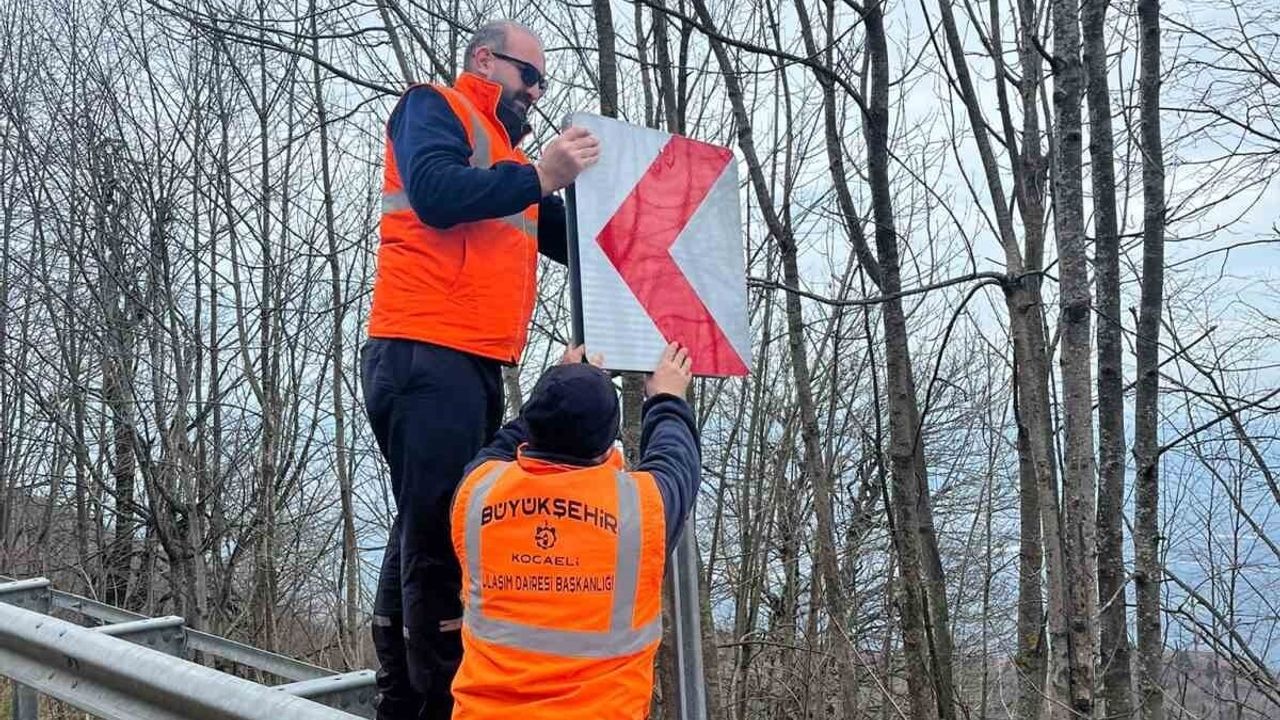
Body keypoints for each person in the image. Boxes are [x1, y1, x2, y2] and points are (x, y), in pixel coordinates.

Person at [360, 19, 601, 720]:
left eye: (543, 82)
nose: (537, 92)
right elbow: (436, 194)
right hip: (425, 348)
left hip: (469, 360)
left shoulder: (508, 166)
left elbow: (580, 242)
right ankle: (438, 703)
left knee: (423, 523)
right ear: (485, 60)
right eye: (530, 75)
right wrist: (541, 176)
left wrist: (630, 217)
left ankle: (401, 699)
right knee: (442, 537)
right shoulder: (433, 107)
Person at [447, 342, 701, 719]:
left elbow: (499, 448)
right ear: (606, 449)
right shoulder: (641, 512)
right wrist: (667, 396)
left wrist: (562, 386)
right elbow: (677, 459)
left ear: (532, 430)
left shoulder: (476, 494)